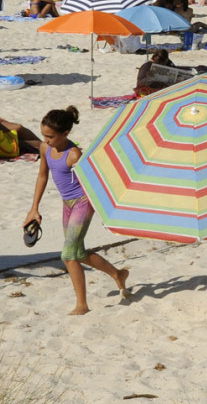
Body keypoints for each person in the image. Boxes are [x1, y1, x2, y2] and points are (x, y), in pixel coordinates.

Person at [22, 107, 130, 314]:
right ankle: (118, 274)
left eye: (50, 136)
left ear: (65, 134)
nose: (46, 140)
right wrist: (33, 208)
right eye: (43, 135)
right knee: (77, 252)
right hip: (66, 204)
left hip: (82, 202)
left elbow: (96, 181)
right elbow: (42, 176)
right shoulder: (45, 149)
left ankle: (82, 305)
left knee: (68, 254)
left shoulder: (74, 155)